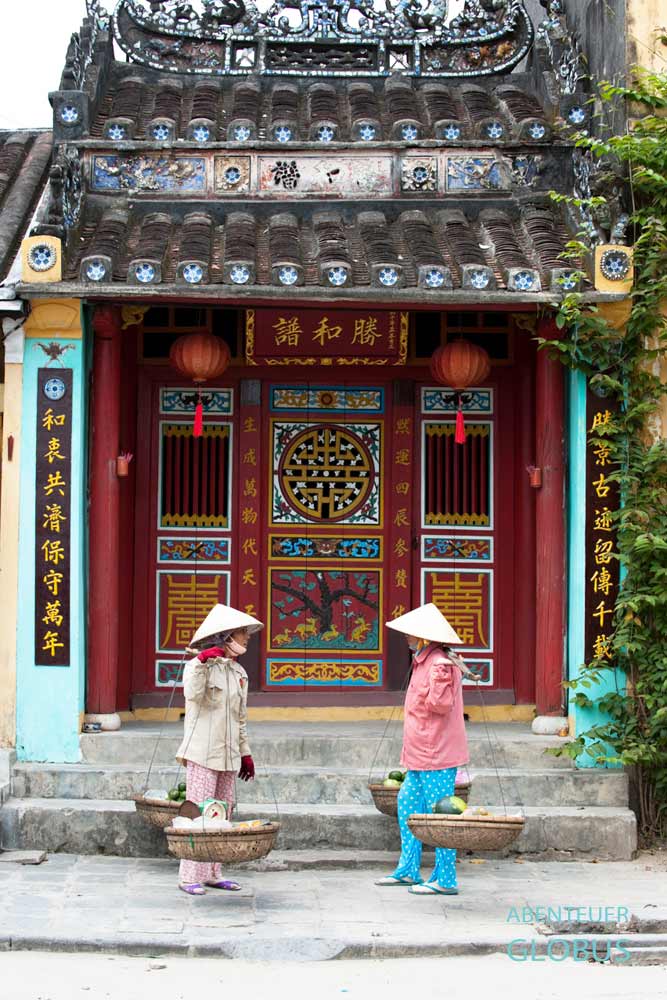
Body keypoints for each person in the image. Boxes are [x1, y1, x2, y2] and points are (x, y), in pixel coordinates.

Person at [376, 603, 469, 896]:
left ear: (426, 638)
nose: (407, 638)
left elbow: (439, 706)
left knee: (439, 815)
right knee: (408, 808)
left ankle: (446, 878)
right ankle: (408, 870)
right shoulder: (423, 661)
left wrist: (443, 677)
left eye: (411, 634)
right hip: (419, 754)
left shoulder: (440, 664)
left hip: (437, 753)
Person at [175, 603, 263, 896]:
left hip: (228, 755)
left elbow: (240, 719)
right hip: (202, 753)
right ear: (227, 637)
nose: (247, 639)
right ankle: (189, 876)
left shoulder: (239, 672)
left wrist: (245, 753)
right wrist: (201, 661)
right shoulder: (197, 666)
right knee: (197, 815)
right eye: (242, 634)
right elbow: (193, 695)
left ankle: (214, 872)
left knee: (221, 815)